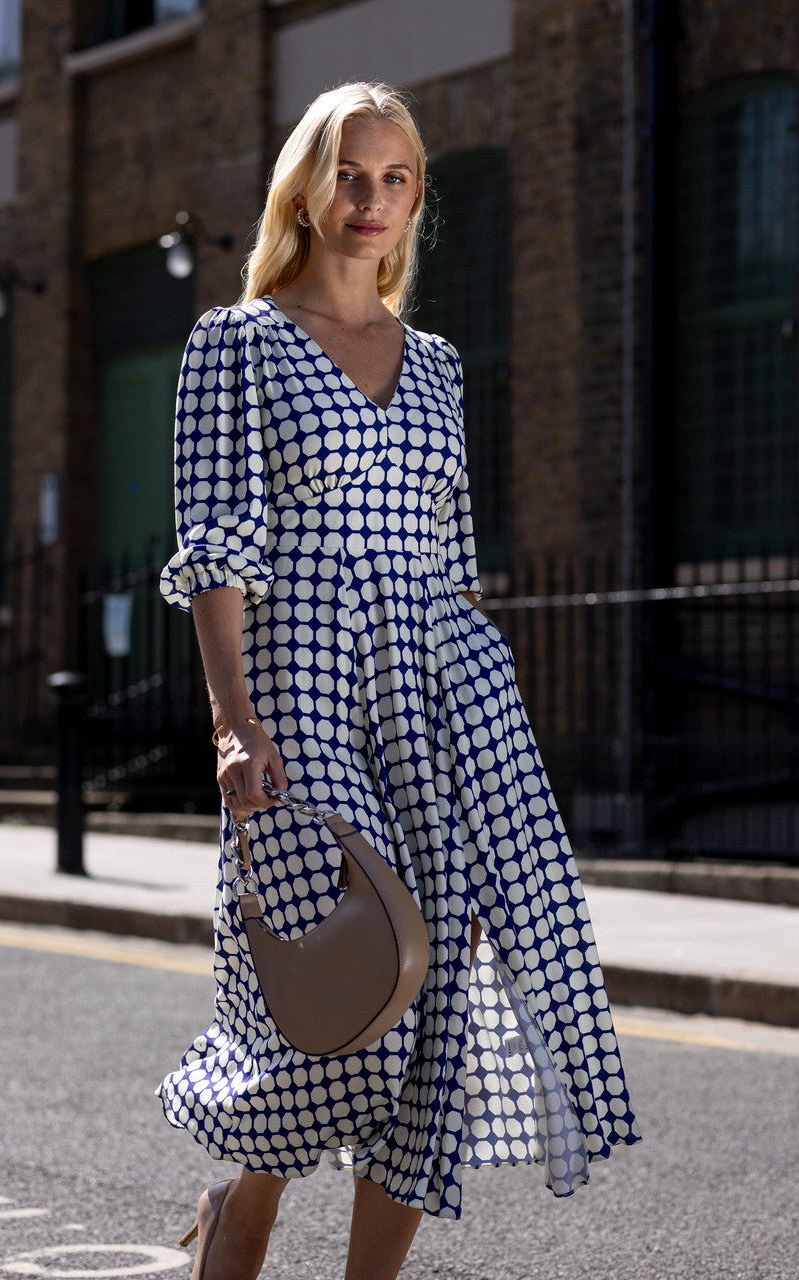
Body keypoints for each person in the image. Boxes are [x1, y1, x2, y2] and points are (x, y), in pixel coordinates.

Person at [157, 81, 640, 1280]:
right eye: (348, 174)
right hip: (301, 682)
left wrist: (482, 757)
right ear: (305, 191)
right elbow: (215, 542)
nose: (368, 200)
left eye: (394, 177)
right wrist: (231, 722)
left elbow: (451, 564)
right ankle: (242, 1203)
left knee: (432, 1028)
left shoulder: (436, 366)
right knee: (345, 986)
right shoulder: (240, 340)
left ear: (416, 195)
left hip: (433, 690)